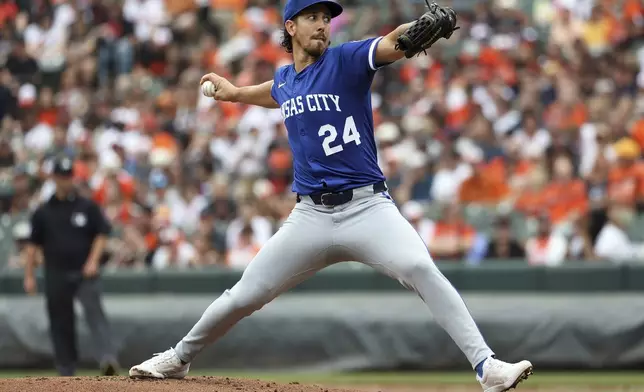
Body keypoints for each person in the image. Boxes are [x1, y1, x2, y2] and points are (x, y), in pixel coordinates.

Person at [129, 1, 533, 390]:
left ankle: (487, 367)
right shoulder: (288, 79)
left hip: (368, 208)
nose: (322, 24)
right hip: (309, 218)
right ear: (291, 27)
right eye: (312, 17)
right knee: (243, 296)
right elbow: (275, 92)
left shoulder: (346, 60)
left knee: (421, 268)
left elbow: (390, 43)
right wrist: (234, 93)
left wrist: (415, 30)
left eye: (326, 17)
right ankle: (178, 357)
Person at [24, 156, 119, 376]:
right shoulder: (43, 212)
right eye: (62, 176)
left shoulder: (87, 206)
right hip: (55, 272)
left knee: (95, 315)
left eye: (69, 176)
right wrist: (29, 275)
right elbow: (32, 246)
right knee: (60, 321)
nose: (66, 181)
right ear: (54, 178)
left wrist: (93, 261)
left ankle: (107, 359)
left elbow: (102, 233)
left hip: (85, 272)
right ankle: (66, 367)